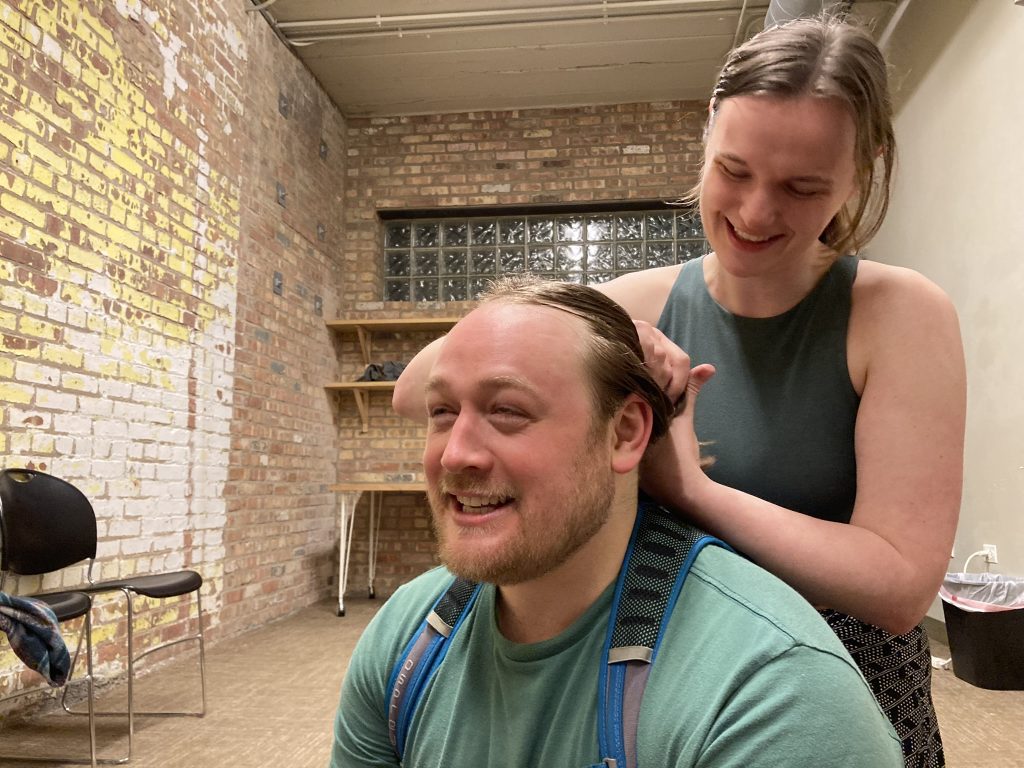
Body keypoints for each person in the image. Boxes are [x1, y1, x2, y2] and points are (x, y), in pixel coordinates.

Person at [392, 17, 965, 768]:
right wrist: (606, 331)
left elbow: (897, 586)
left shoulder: (898, 314)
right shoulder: (643, 301)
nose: (756, 213)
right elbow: (415, 389)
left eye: (803, 187)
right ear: (707, 136)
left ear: (866, 168)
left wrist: (691, 489)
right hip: (656, 681)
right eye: (734, 170)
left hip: (840, 694)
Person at [333, 276, 903, 767]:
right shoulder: (407, 640)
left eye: (507, 410)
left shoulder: (773, 695)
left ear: (625, 432)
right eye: (443, 412)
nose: (455, 455)